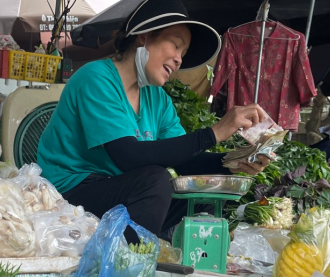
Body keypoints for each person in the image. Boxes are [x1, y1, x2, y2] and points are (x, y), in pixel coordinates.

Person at [37, 0, 270, 242]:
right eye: (175, 45)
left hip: (118, 192)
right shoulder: (96, 78)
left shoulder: (158, 99)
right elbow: (127, 155)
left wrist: (232, 162)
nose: (179, 59)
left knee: (202, 194)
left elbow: (184, 161)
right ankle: (132, 264)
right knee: (156, 180)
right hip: (67, 196)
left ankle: (168, 253)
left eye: (183, 53)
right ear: (144, 36)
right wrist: (215, 132)